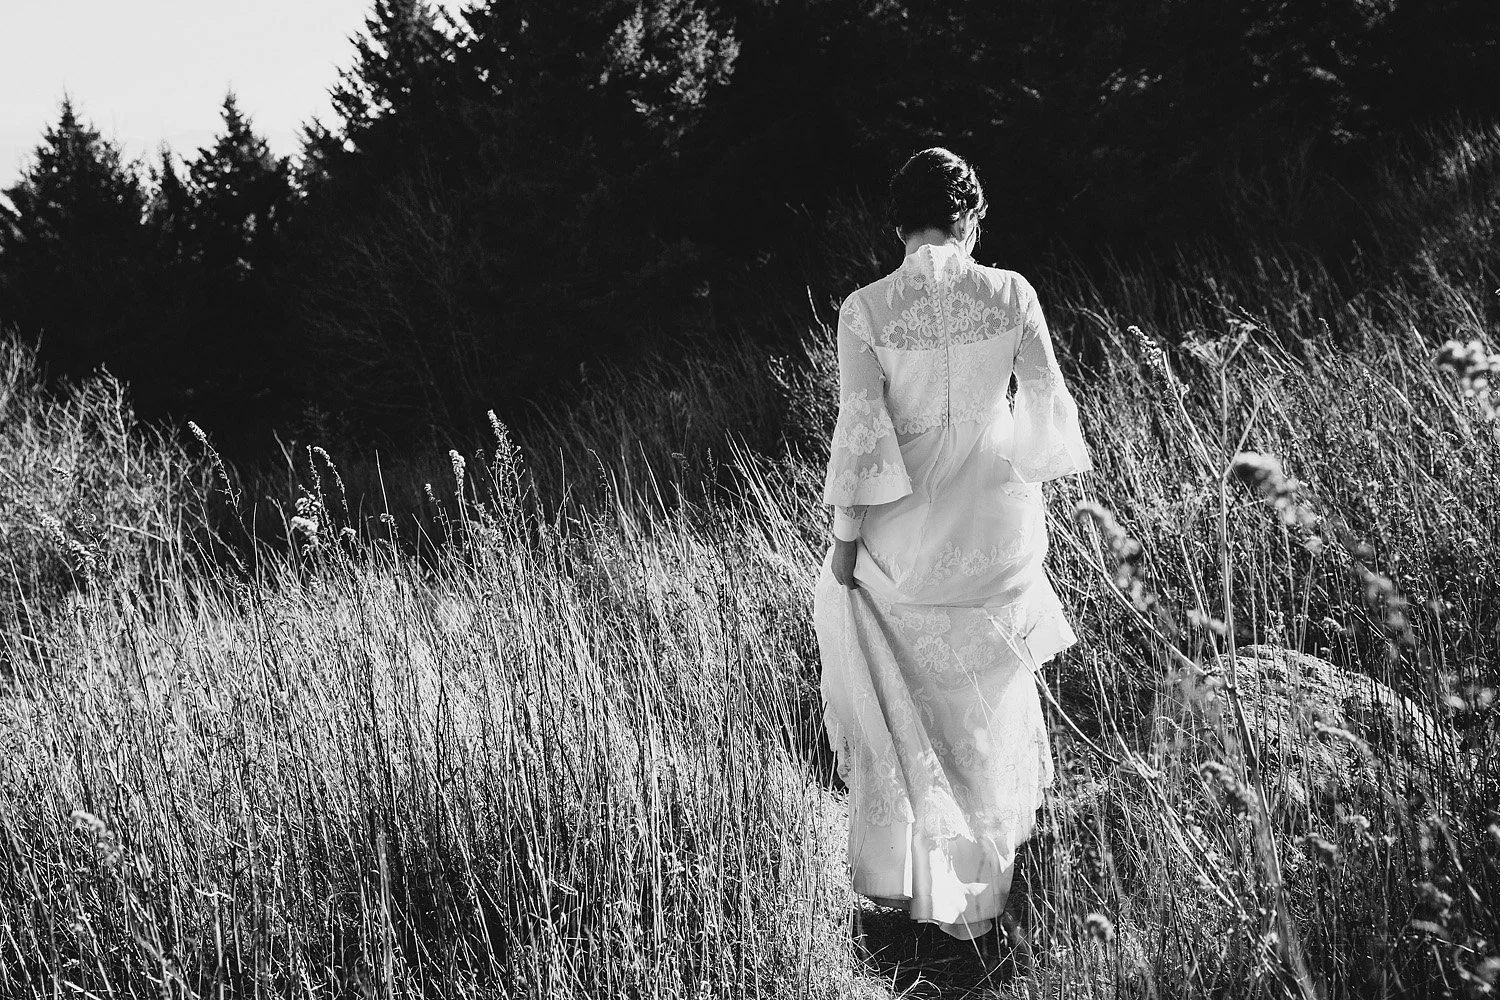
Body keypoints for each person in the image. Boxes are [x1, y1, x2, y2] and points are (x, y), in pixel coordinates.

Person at [812, 147, 1092, 942]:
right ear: (970, 217)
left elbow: (863, 434)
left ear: (898, 223)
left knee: (909, 712)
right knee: (986, 708)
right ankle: (990, 886)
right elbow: (1044, 412)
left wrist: (844, 541)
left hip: (903, 543)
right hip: (995, 536)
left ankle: (922, 883)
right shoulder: (1013, 293)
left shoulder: (864, 309)